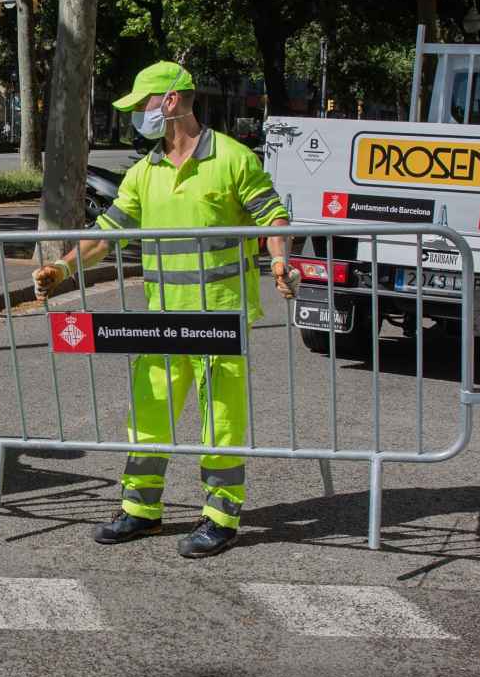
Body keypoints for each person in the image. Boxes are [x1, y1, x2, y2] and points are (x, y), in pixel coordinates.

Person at [32, 61, 293, 558]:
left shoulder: (234, 160)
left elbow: (272, 215)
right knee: (148, 414)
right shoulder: (143, 172)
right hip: (162, 319)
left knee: (221, 421)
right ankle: (140, 510)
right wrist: (63, 269)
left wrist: (280, 261)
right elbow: (107, 234)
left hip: (219, 319)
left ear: (170, 102)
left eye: (142, 104)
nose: (137, 114)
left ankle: (220, 515)